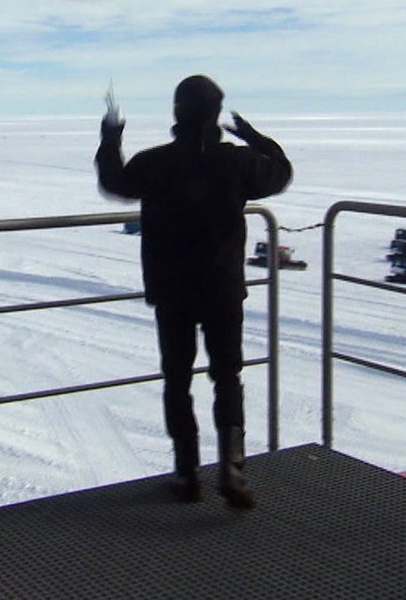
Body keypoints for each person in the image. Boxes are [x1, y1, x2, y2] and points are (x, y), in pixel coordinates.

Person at [95, 75, 292, 509]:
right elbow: (281, 173)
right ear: (216, 115)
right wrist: (255, 137)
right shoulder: (237, 163)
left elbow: (114, 181)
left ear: (177, 114)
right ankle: (233, 470)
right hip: (222, 287)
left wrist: (111, 138)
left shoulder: (154, 163)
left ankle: (186, 474)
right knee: (228, 376)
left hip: (172, 290)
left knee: (177, 379)